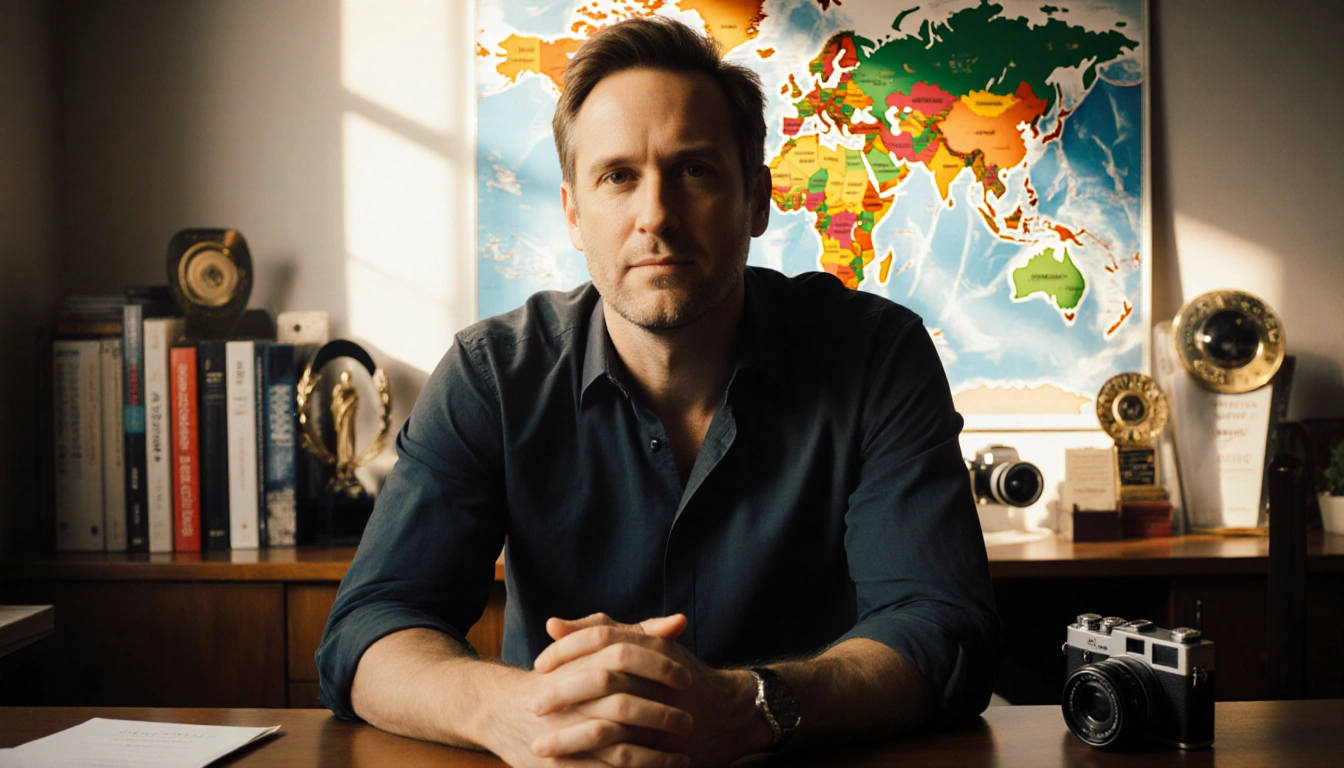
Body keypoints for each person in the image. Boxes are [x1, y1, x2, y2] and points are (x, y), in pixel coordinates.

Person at [317, 16, 999, 767]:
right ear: (574, 212)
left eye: (696, 171)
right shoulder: (492, 376)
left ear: (757, 200)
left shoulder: (876, 357)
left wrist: (748, 708)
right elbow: (370, 628)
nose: (656, 217)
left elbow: (942, 628)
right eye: (618, 176)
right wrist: (511, 711)